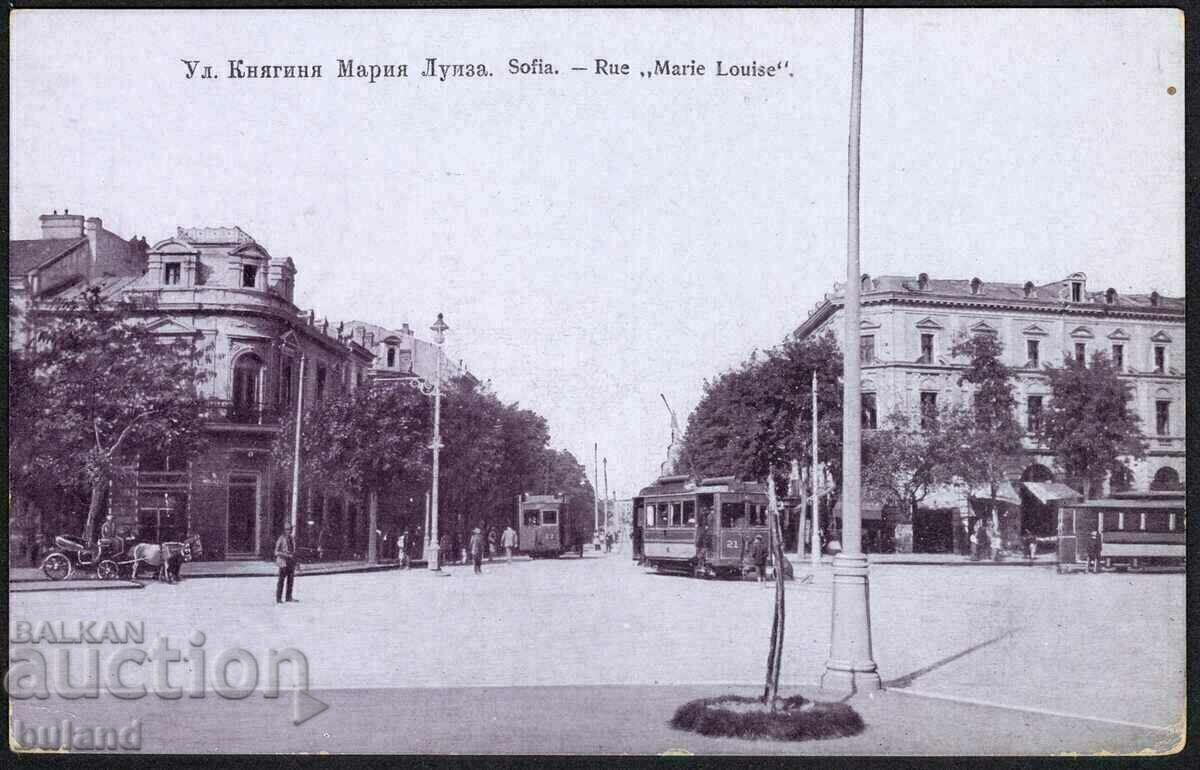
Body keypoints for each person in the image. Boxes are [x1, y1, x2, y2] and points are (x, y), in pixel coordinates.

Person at [275, 525, 299, 604]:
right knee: (281, 581)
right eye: (287, 529)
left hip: (291, 562)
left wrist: (296, 561)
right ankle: (278, 598)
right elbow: (276, 552)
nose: (289, 531)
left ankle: (289, 597)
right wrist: (286, 555)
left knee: (290, 580)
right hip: (283, 562)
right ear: (284, 530)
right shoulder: (281, 539)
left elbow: (294, 551)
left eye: (290, 529)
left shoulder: (292, 539)